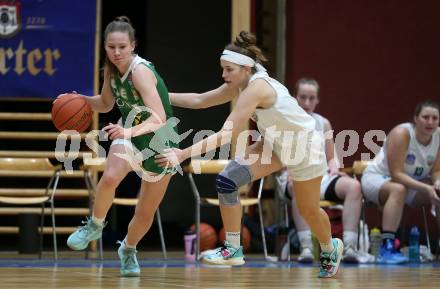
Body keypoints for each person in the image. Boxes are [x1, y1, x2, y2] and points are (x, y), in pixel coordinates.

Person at [156, 31, 344, 278]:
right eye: (222, 69)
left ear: (246, 68)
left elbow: (226, 135)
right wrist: (158, 97)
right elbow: (200, 99)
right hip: (275, 145)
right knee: (227, 180)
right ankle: (233, 249)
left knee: (309, 210)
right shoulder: (242, 84)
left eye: (228, 69)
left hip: (305, 149)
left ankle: (331, 247)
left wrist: (182, 154)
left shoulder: (257, 88)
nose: (223, 75)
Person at [64, 16, 178, 277]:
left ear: (133, 46)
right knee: (110, 176)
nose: (116, 52)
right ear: (104, 46)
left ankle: (128, 249)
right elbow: (105, 104)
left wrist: (127, 130)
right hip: (129, 132)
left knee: (145, 211)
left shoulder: (140, 72)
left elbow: (159, 116)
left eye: (122, 47)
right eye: (111, 47)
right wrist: (77, 100)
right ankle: (94, 224)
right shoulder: (111, 71)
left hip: (160, 141)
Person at [275, 78, 374, 264]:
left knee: (353, 186)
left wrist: (335, 168)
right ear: (294, 97)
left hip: (321, 177)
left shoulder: (323, 123)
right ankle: (306, 247)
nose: (306, 103)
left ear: (317, 100)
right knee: (300, 184)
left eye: (311, 98)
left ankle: (349, 247)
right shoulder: (283, 121)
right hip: (293, 177)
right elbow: (276, 159)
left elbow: (331, 156)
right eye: (302, 97)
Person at [361, 100, 440, 264]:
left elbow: (435, 171)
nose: (430, 122)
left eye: (435, 118)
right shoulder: (402, 133)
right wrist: (426, 187)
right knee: (398, 189)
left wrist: (437, 182)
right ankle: (387, 246)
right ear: (416, 119)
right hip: (378, 178)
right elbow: (396, 174)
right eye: (426, 117)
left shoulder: (439, 136)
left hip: (410, 183)